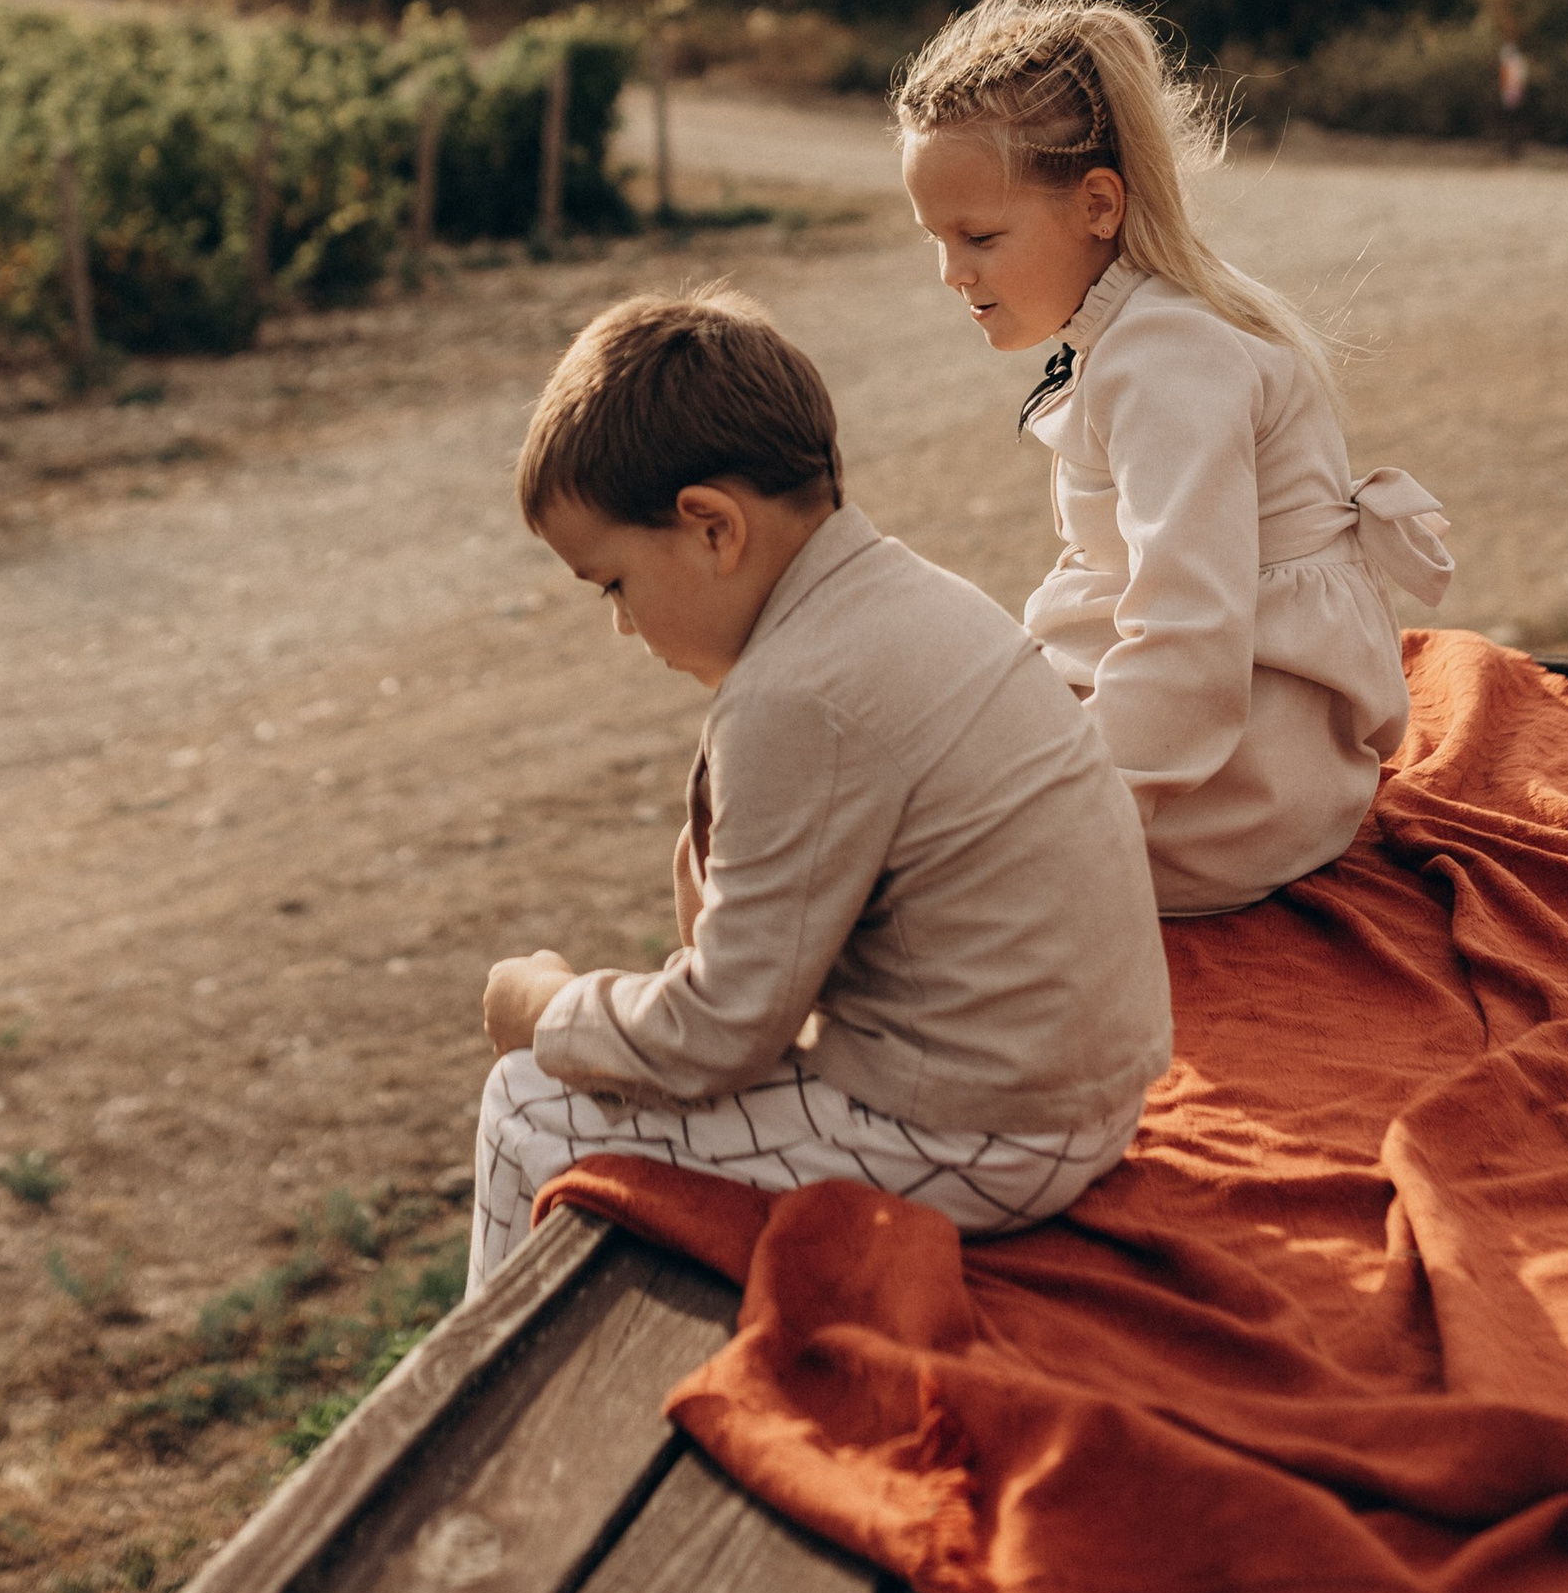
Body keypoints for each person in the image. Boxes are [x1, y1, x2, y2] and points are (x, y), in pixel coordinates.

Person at [469, 289, 1172, 1293]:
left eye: (614, 583)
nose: (622, 626)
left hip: (983, 1135)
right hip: (1077, 1095)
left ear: (711, 526)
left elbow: (719, 1034)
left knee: (524, 1103)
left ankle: (475, 1424)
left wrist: (546, 1007)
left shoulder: (795, 698)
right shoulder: (903, 596)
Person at [897, 0, 1453, 917]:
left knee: (911, 847)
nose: (954, 273)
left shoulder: (1165, 359)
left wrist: (1072, 812)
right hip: (1221, 732)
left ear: (1099, 204)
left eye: (979, 235)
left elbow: (1191, 633)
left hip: (1244, 770)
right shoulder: (1136, 322)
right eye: (935, 239)